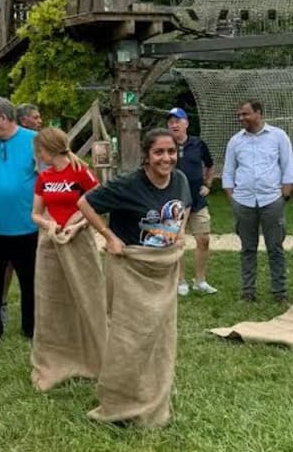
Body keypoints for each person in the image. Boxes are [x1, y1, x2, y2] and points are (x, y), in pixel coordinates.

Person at [76, 129, 190, 428]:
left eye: (171, 152)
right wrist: (109, 236)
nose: (166, 158)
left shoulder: (179, 180)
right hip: (130, 268)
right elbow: (85, 204)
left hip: (161, 269)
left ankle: (154, 388)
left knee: (160, 332)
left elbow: (184, 207)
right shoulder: (128, 184)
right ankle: (122, 398)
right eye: (159, 153)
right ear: (147, 156)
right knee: (129, 334)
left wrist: (179, 233)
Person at [29, 127, 105, 391]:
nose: (38, 155)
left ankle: (94, 354)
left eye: (39, 151)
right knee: (52, 299)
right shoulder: (45, 177)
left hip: (79, 242)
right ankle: (57, 357)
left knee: (87, 294)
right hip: (51, 244)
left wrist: (78, 225)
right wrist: (48, 225)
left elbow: (97, 206)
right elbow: (36, 214)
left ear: (47, 149)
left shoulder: (81, 173)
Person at [0, 96, 39, 351]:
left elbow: (48, 176)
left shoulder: (33, 140)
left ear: (3, 118)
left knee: (31, 281)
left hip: (28, 226)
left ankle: (32, 329)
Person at [222, 99, 293, 303]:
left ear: (258, 113)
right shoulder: (235, 141)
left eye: (245, 114)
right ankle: (247, 292)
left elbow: (288, 166)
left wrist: (284, 195)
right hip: (243, 201)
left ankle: (280, 293)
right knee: (247, 249)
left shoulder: (278, 136)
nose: (241, 118)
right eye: (239, 115)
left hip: (272, 199)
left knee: (275, 248)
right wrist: (232, 197)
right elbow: (228, 171)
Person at [166, 107, 217, 296]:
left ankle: (200, 280)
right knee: (177, 241)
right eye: (170, 122)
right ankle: (180, 281)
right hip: (175, 202)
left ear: (186, 123)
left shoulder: (198, 144)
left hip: (197, 200)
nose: (174, 124)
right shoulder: (166, 146)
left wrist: (208, 184)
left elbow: (210, 165)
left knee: (203, 239)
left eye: (177, 120)